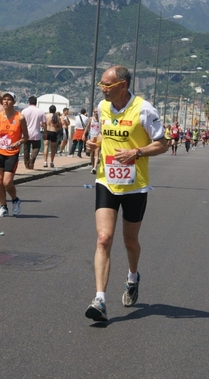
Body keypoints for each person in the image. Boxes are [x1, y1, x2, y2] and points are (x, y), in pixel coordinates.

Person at [84, 65, 167, 322]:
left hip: (135, 185)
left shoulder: (144, 109)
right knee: (103, 238)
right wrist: (94, 143)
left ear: (123, 85)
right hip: (106, 181)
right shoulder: (103, 107)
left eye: (107, 85)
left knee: (130, 241)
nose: (103, 89)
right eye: (101, 85)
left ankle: (132, 277)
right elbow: (102, 134)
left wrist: (137, 152)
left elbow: (162, 143)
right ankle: (99, 299)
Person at [0, 91, 28, 217]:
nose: (6, 101)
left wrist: (18, 142)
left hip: (12, 153)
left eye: (9, 99)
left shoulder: (20, 117)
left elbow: (26, 137)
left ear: (14, 102)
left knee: (7, 182)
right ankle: (3, 207)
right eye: (4, 99)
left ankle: (15, 199)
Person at [21, 96, 46, 169]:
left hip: (26, 133)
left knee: (26, 149)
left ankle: (27, 164)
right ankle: (32, 159)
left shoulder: (24, 111)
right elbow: (44, 123)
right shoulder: (40, 111)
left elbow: (21, 122)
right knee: (37, 147)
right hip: (36, 133)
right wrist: (45, 133)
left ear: (29, 102)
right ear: (36, 102)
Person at [84, 107, 100, 174]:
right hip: (91, 137)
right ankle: (93, 167)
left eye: (97, 111)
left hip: (98, 138)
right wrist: (84, 134)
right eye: (94, 112)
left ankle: (95, 167)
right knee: (91, 154)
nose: (96, 113)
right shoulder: (91, 119)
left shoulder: (101, 120)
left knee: (96, 153)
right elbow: (87, 127)